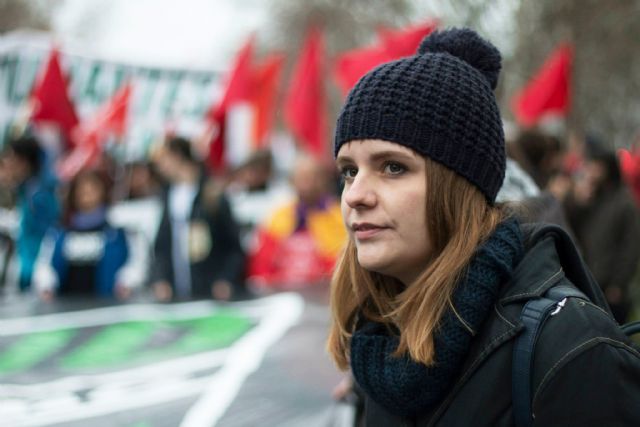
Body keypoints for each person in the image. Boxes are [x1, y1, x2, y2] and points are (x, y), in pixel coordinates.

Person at [326, 28, 640, 426]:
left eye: (393, 167)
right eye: (349, 171)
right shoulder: (378, 341)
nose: (355, 195)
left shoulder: (570, 349)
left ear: (459, 185)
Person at [151, 136, 245, 301]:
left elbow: (233, 245)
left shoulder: (211, 194)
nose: (160, 167)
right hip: (177, 294)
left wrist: (225, 279)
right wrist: (161, 278)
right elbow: (161, 245)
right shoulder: (166, 195)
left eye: (163, 160)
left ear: (177, 156)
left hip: (210, 292)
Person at [563, 139, 640, 323]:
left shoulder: (624, 201)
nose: (591, 170)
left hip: (609, 286)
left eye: (595, 165)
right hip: (585, 280)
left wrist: (618, 283)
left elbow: (631, 246)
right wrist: (578, 201)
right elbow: (569, 224)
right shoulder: (589, 196)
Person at [34, 169, 142, 299]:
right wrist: (46, 285)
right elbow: (45, 265)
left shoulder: (117, 231)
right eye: (82, 191)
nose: (87, 195)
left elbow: (135, 262)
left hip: (107, 304)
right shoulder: (59, 232)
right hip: (66, 304)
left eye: (92, 190)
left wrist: (126, 282)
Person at [247, 155, 346, 290]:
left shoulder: (337, 216)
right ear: (292, 181)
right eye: (302, 178)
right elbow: (261, 265)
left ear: (323, 180)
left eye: (312, 177)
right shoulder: (278, 216)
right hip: (281, 292)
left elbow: (340, 266)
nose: (307, 183)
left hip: (321, 292)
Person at [3, 135, 59, 292]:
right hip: (21, 274)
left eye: (11, 158)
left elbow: (49, 237)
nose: (7, 163)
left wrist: (35, 274)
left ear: (24, 162)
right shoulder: (24, 190)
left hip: (35, 279)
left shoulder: (40, 196)